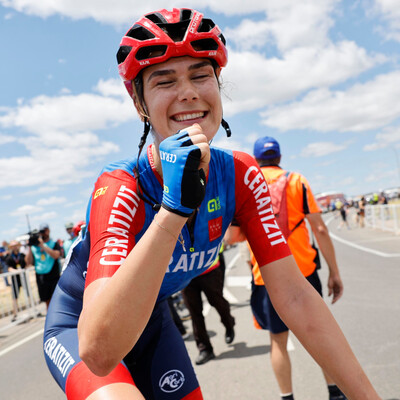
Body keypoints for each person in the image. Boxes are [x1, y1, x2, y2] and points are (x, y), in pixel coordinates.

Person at [43, 8, 381, 400]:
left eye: (200, 75)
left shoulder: (240, 174)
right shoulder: (122, 186)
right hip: (81, 323)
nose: (187, 91)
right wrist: (173, 210)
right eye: (164, 81)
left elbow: (294, 296)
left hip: (151, 315)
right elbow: (98, 353)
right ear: (140, 105)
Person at [237, 136, 347, 400]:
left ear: (256, 159)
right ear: (280, 157)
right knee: (320, 335)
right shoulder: (298, 181)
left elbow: (232, 237)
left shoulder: (246, 186)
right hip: (303, 271)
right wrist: (334, 272)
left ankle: (287, 396)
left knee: (278, 341)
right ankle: (335, 393)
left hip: (265, 275)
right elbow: (319, 229)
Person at [182, 245, 235, 365]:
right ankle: (205, 349)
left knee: (218, 303)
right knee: (194, 313)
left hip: (209, 269)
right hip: (185, 275)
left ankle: (229, 323)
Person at [26, 223, 61, 309]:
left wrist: (43, 246)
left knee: (57, 300)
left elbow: (56, 255)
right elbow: (28, 262)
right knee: (47, 301)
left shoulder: (53, 243)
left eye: (44, 231)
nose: (43, 233)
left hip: (53, 275)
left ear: (48, 231)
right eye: (41, 232)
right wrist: (30, 247)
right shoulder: (34, 247)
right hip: (41, 277)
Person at [5, 240, 29, 322]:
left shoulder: (22, 255)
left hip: (23, 277)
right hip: (15, 279)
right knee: (15, 296)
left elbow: (27, 264)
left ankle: (32, 309)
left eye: (16, 245)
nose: (15, 247)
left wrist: (23, 270)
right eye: (13, 246)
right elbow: (9, 268)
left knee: (28, 293)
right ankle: (15, 314)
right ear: (11, 247)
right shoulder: (9, 257)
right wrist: (16, 271)